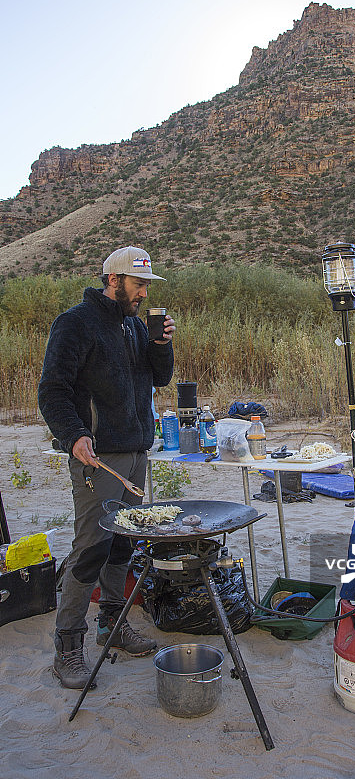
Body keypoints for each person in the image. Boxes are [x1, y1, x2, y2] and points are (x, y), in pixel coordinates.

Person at [38, 246, 175, 690]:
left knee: (123, 545)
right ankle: (68, 650)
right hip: (99, 457)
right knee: (91, 549)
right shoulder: (75, 323)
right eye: (139, 285)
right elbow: (52, 390)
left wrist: (160, 345)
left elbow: (159, 380)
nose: (144, 293)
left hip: (136, 450)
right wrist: (74, 434)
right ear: (113, 280)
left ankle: (111, 628)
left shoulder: (134, 326)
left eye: (147, 286)